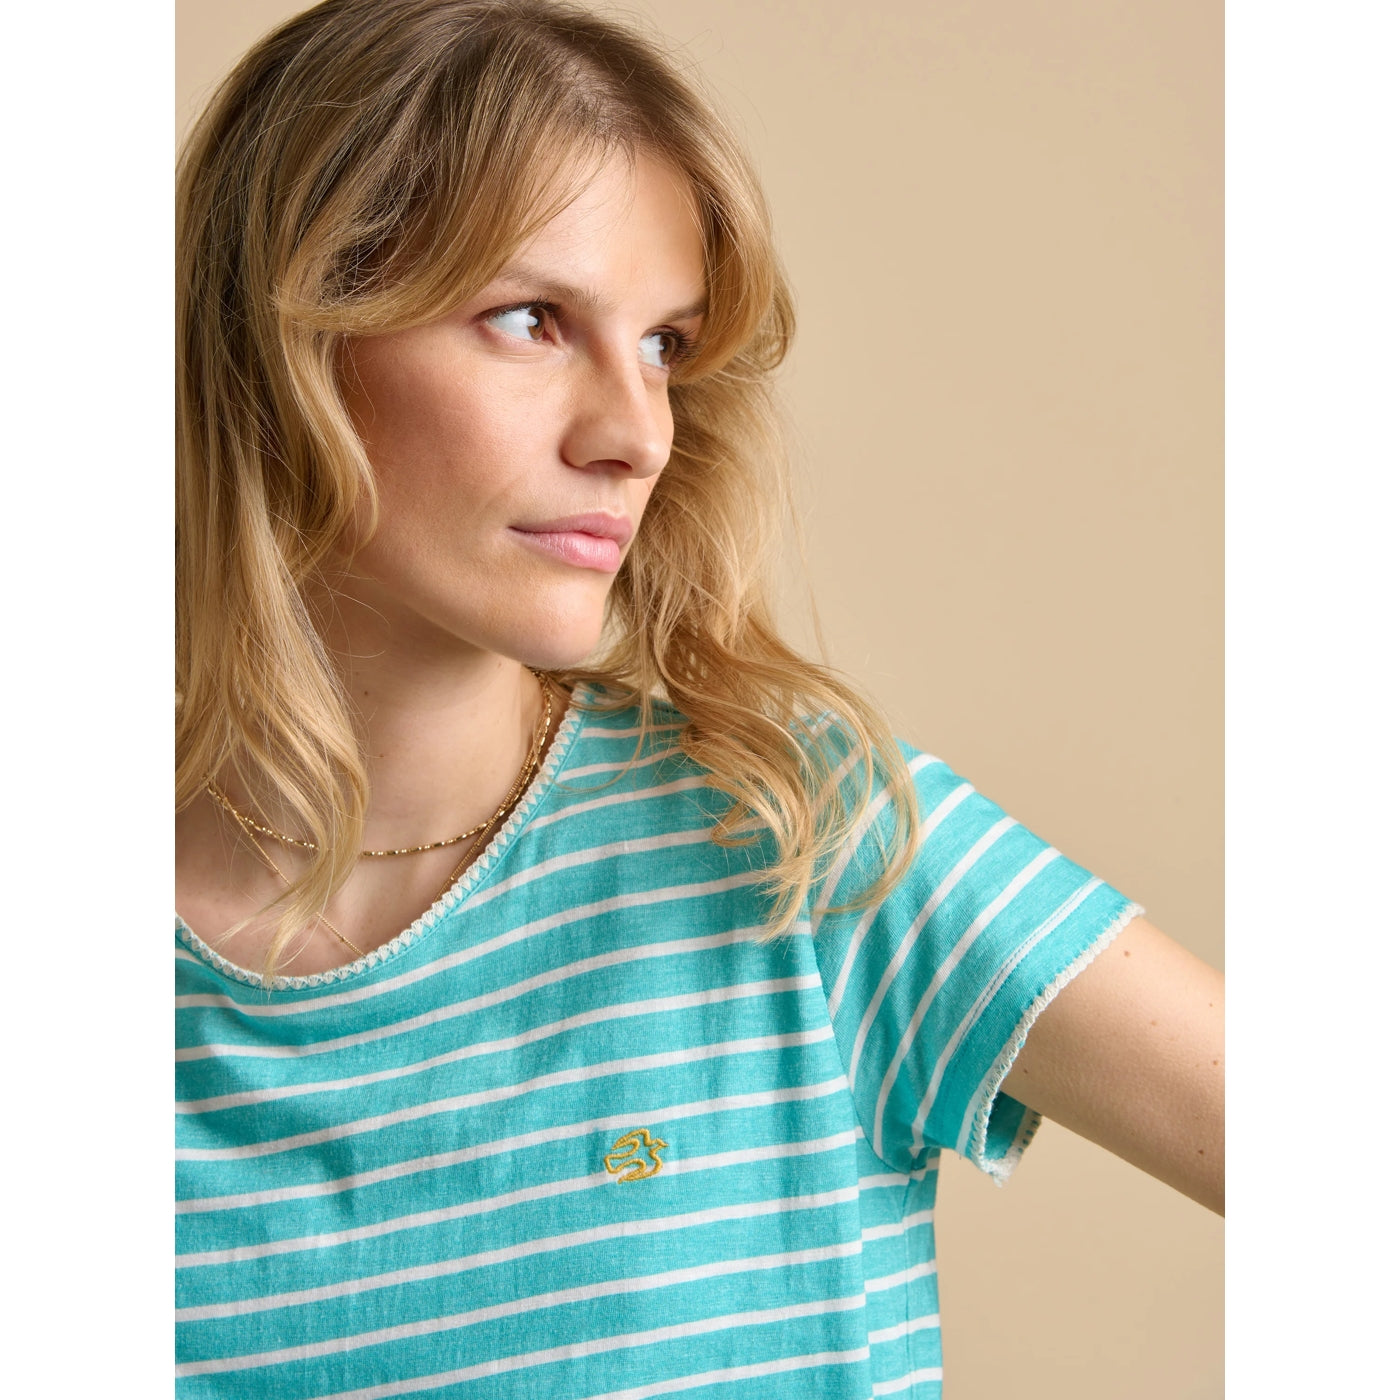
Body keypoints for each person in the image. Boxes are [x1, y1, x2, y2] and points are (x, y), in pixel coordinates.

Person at [175, 2, 1223, 1396]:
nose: (636, 433)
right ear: (281, 342)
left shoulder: (795, 835)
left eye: (664, 344)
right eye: (532, 320)